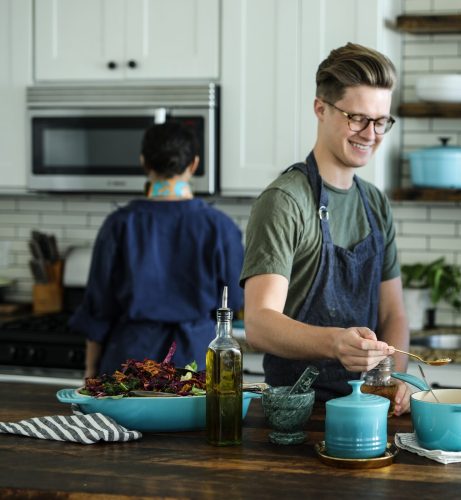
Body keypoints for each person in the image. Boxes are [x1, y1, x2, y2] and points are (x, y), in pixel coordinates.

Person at [240, 42, 410, 412]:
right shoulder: (285, 201)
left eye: (381, 122)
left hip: (369, 408)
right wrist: (336, 343)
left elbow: (393, 313)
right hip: (298, 415)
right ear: (321, 108)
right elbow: (259, 322)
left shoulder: (375, 203)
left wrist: (396, 375)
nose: (370, 134)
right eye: (357, 118)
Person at [69, 122, 244, 378]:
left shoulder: (119, 224)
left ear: (144, 162)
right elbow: (235, 301)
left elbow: (98, 310)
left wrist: (90, 372)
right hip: (196, 363)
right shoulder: (221, 227)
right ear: (194, 165)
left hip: (130, 364)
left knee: (119, 421)